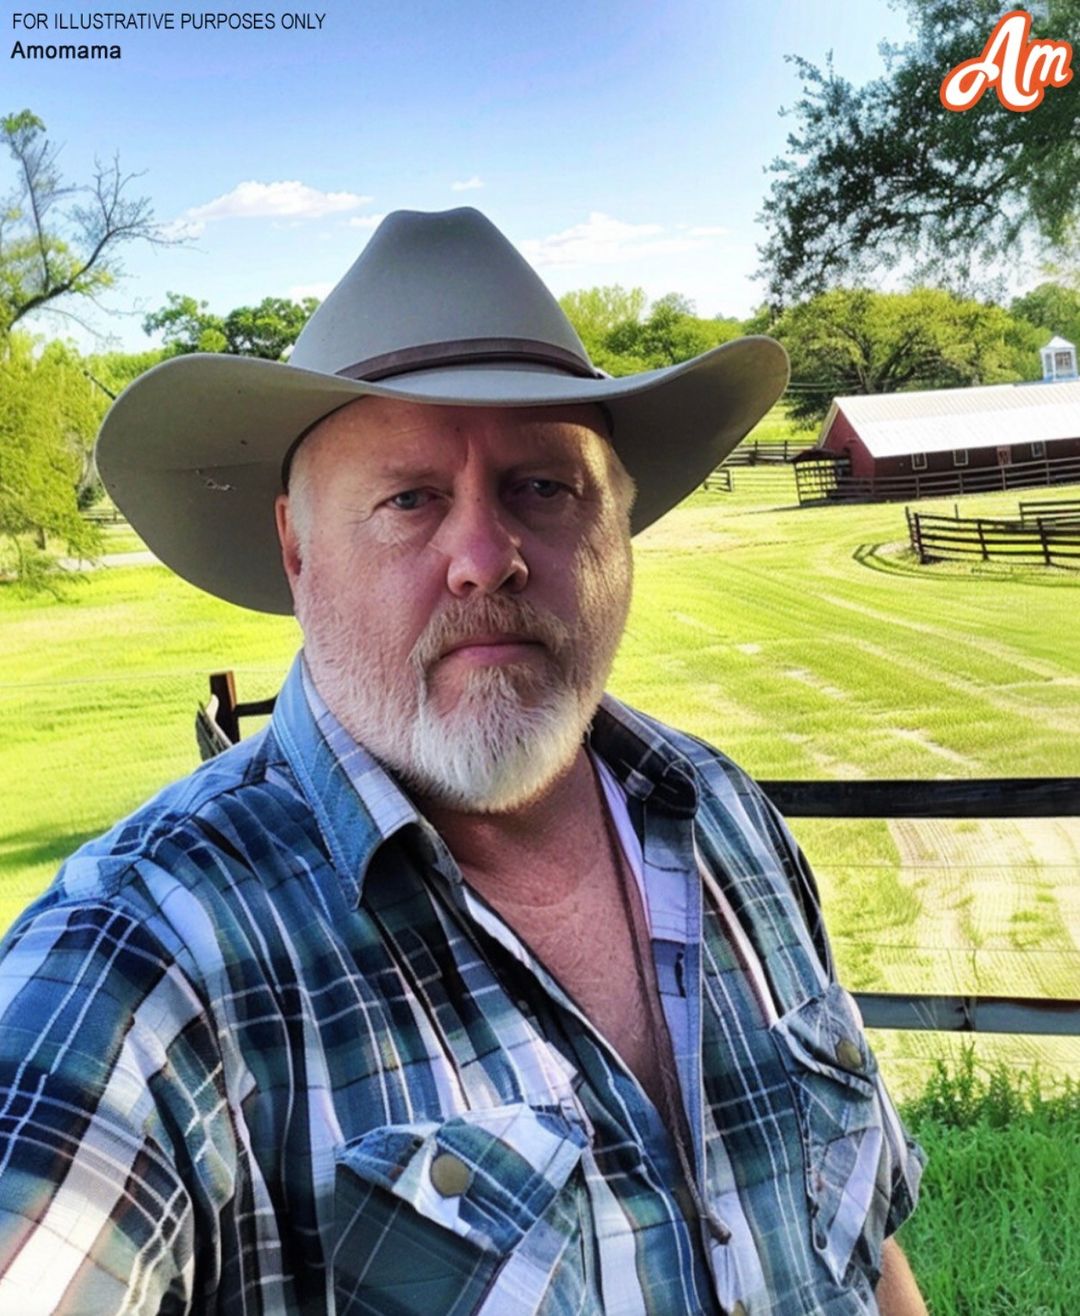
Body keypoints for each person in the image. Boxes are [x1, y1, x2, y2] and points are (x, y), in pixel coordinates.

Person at [0, 208, 925, 1315]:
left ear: (618, 528)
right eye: (409, 498)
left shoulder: (723, 817)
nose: (487, 558)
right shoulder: (149, 957)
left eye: (544, 485)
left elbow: (863, 1256)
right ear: (298, 548)